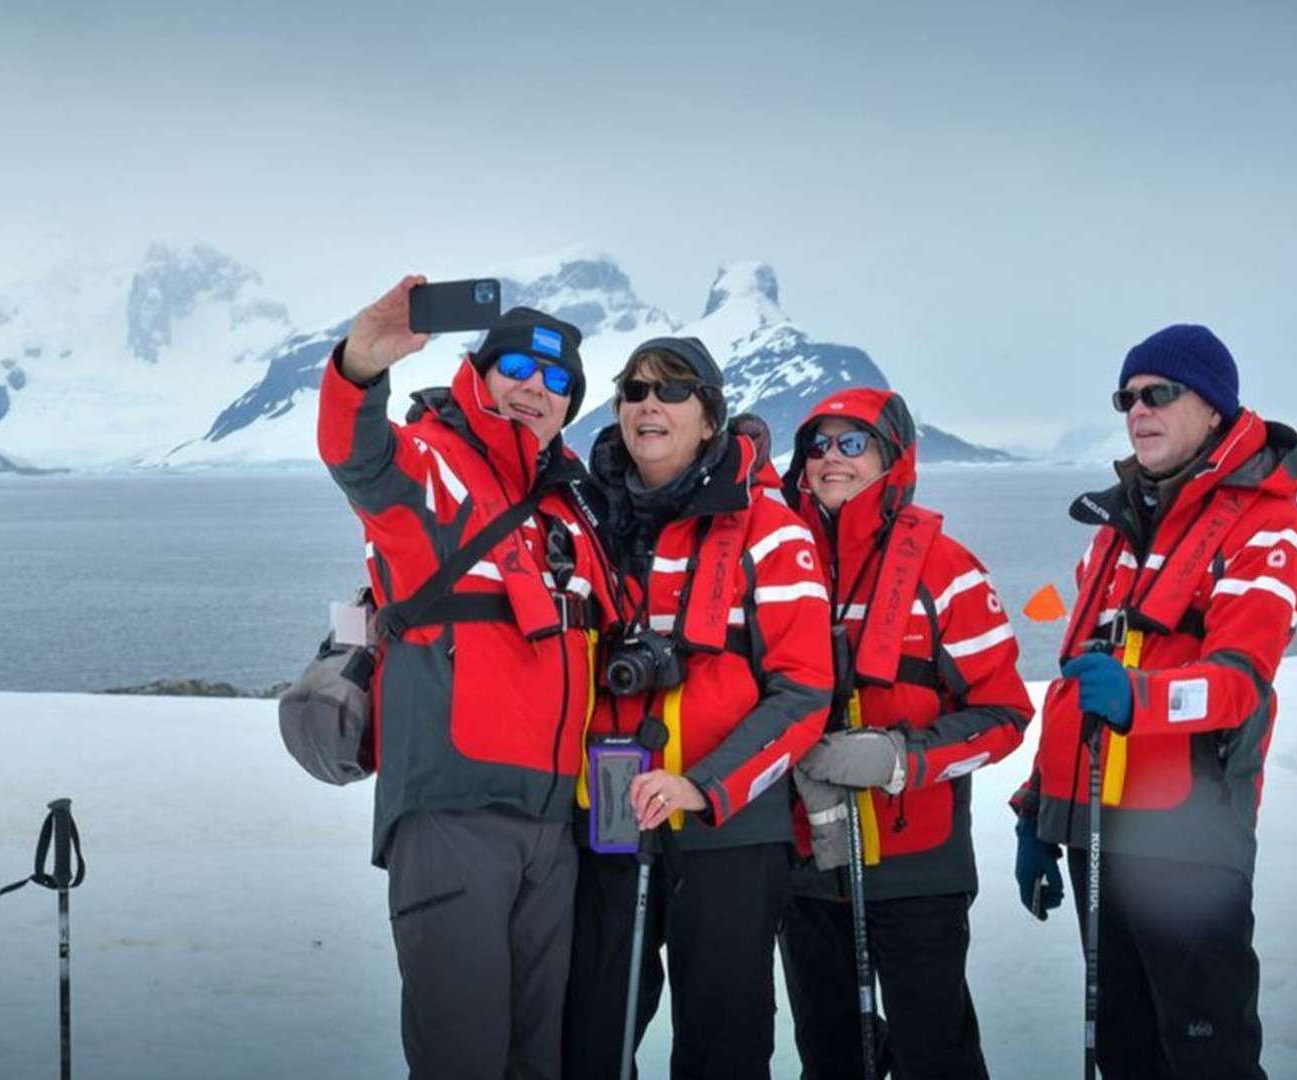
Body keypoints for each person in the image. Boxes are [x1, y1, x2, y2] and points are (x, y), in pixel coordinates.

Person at [319, 277, 616, 1080]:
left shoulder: (568, 514)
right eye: (516, 367)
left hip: (552, 833)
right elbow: (359, 458)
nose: (534, 389)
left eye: (557, 382)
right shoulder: (434, 465)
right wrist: (356, 369)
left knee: (535, 1060)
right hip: (452, 818)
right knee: (463, 1056)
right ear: (481, 374)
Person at [1012, 324, 1297, 1080]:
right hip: (1095, 832)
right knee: (1126, 1054)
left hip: (1190, 842)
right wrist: (1036, 810)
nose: (1139, 411)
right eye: (1128, 397)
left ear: (1213, 408)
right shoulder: (1115, 534)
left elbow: (1239, 681)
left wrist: (1140, 700)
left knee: (1205, 1055)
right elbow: (1077, 692)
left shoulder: (1270, 530)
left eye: (1160, 394)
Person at [561, 338, 834, 1080]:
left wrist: (704, 784)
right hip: (614, 801)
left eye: (674, 391)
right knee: (594, 1029)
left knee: (723, 1041)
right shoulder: (590, 521)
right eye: (635, 389)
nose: (651, 402)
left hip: (730, 822)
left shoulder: (772, 532)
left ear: (710, 419)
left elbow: (806, 688)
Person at [776, 388, 1033, 1080]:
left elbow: (1006, 715)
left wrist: (899, 759)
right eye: (819, 445)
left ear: (894, 456)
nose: (832, 458)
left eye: (852, 443)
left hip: (917, 869)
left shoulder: (945, 568)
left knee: (934, 1055)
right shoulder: (776, 560)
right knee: (829, 1058)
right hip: (805, 867)